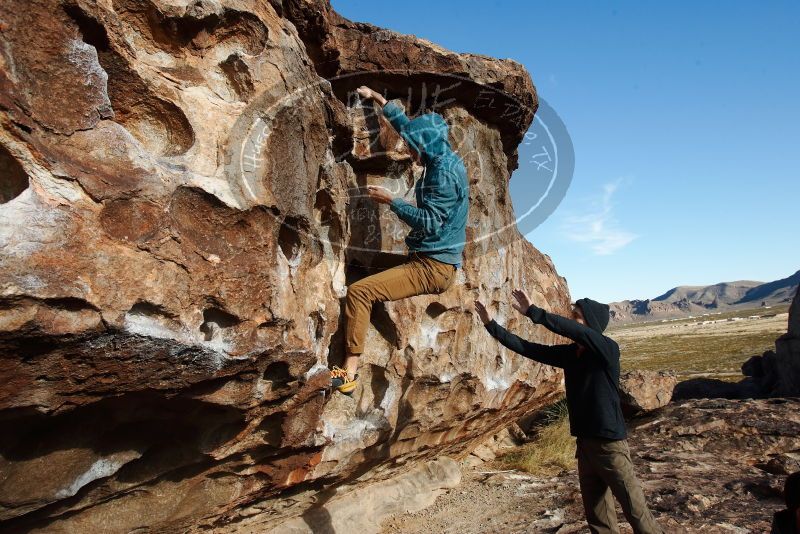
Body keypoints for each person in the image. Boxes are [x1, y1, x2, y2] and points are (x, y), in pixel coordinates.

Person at [474, 290, 663, 534]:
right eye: (572, 315)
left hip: (610, 446)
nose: (572, 320)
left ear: (591, 324)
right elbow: (527, 348)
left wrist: (535, 313)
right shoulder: (571, 355)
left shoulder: (607, 350)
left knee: (636, 511)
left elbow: (577, 332)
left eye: (577, 316)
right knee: (598, 515)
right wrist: (491, 325)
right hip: (584, 445)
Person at [329, 85, 469, 394]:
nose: (407, 149)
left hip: (433, 268)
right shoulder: (439, 154)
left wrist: (392, 202)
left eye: (412, 145)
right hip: (424, 259)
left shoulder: (442, 176)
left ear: (425, 145)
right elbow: (409, 126)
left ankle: (349, 371)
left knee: (359, 292)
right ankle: (363, 322)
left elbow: (431, 223)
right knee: (363, 261)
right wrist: (376, 98)